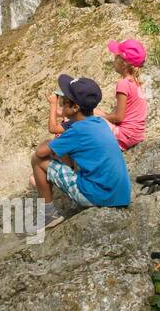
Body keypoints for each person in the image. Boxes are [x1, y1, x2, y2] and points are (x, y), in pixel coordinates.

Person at [30, 74, 131, 228]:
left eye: (64, 103)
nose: (61, 106)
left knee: (37, 161)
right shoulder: (99, 122)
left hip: (98, 196)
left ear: (75, 107)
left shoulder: (77, 130)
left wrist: (47, 142)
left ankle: (49, 215)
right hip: (120, 194)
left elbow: (40, 153)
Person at [102, 38, 148, 150]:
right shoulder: (137, 82)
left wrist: (101, 117)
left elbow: (119, 117)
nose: (113, 60)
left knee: (90, 118)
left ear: (123, 63)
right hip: (136, 135)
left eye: (116, 57)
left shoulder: (123, 84)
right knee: (95, 112)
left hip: (125, 137)